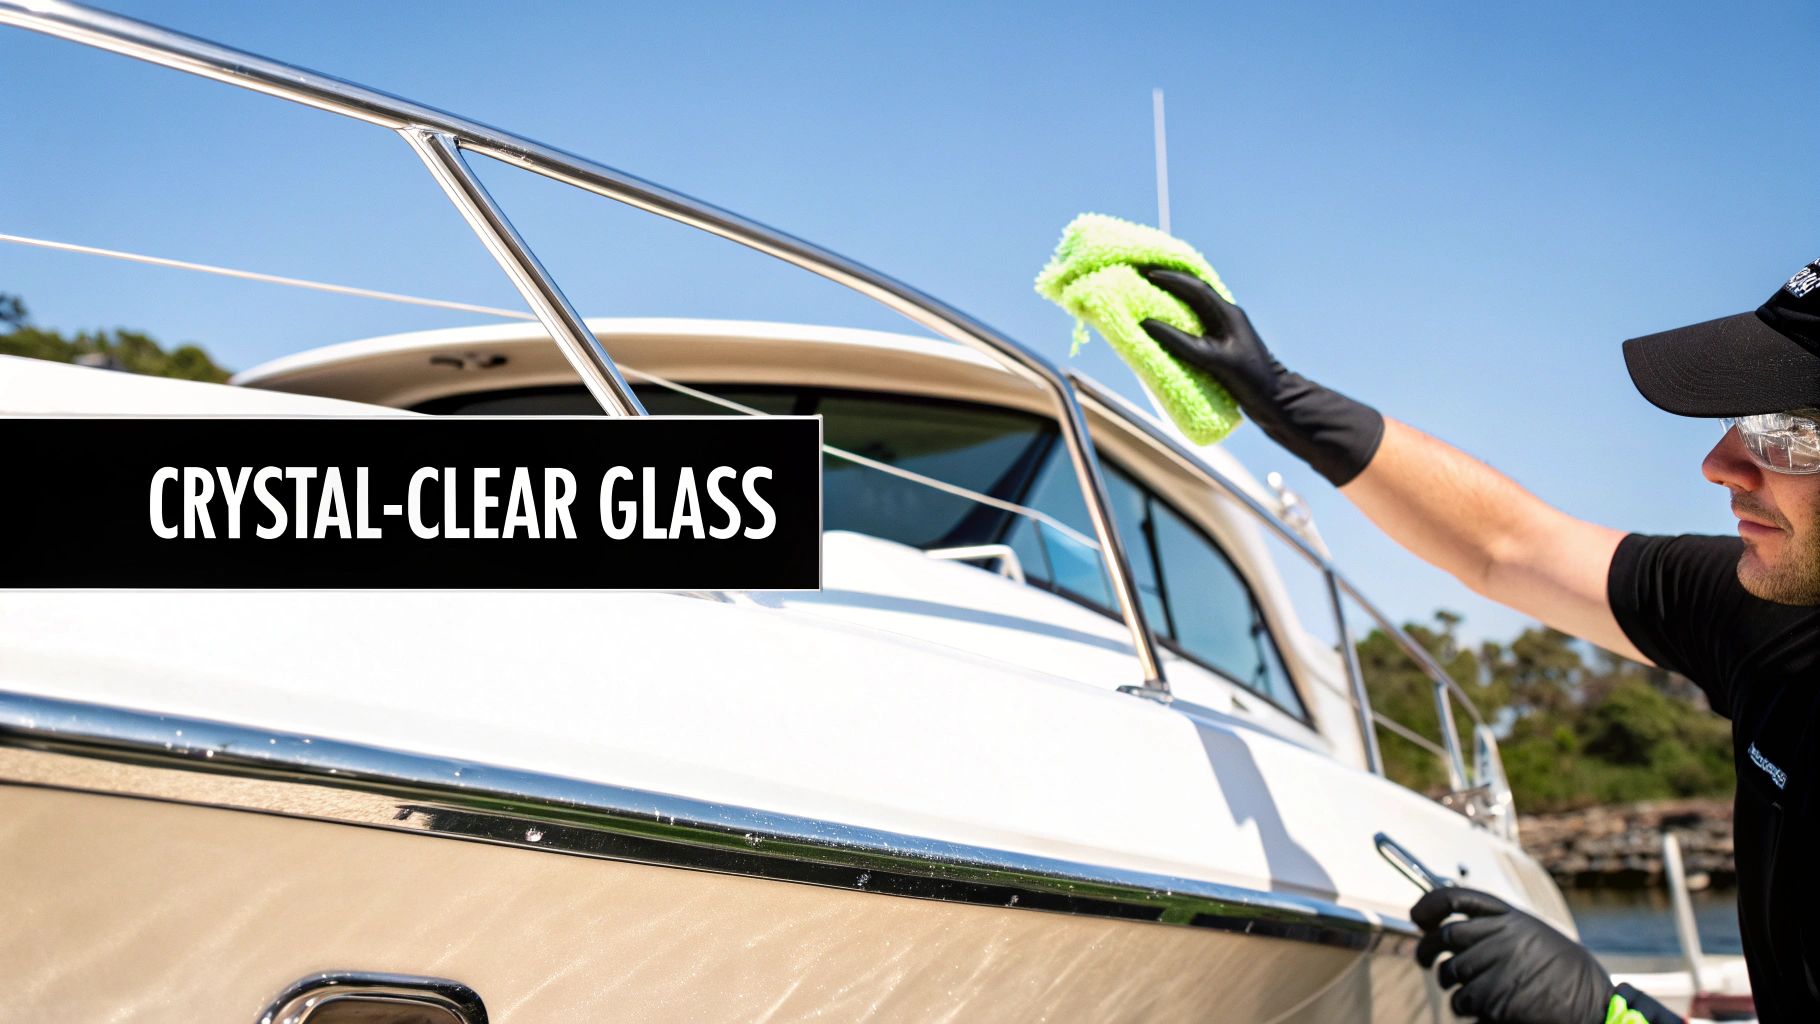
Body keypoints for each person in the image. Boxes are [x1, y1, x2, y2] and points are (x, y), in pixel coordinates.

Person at [1139, 259, 1820, 1024]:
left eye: (1787, 432)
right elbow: (1509, 547)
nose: (1718, 465)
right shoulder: (1771, 614)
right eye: (1740, 421)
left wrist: (1605, 1017)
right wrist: (1283, 398)